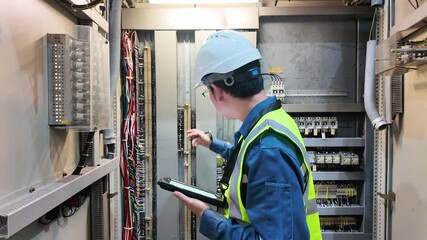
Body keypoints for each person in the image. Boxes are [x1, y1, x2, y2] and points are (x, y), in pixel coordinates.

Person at [173, 30, 322, 240]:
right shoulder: (271, 122)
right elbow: (247, 159)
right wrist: (212, 144)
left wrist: (206, 216)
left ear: (217, 91)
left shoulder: (268, 149)